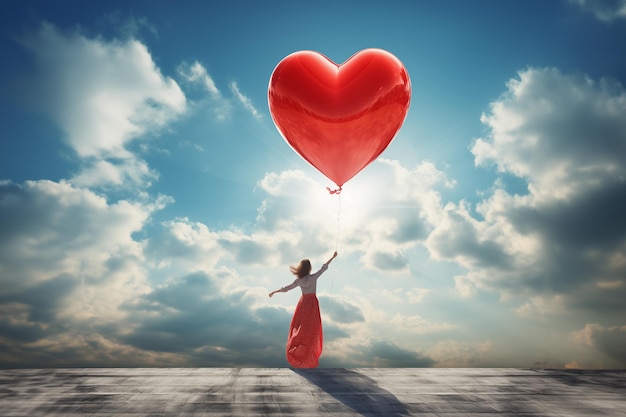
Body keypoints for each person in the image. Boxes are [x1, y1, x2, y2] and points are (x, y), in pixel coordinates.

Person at [269, 251, 338, 368]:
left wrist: (274, 291)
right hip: (312, 304)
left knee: (301, 328)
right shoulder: (313, 277)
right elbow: (324, 268)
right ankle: (304, 353)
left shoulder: (299, 281)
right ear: (309, 268)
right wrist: (333, 257)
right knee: (311, 329)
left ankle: (300, 351)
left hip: (303, 303)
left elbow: (287, 288)